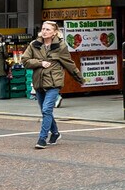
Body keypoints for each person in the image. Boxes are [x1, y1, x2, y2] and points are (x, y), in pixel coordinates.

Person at [19, 20, 80, 149]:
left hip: (54, 82)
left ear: (54, 32)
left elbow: (69, 63)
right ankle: (56, 133)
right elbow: (25, 61)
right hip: (39, 82)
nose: (44, 31)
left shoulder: (61, 46)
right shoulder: (34, 45)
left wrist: (80, 79)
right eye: (43, 29)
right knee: (45, 111)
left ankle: (42, 138)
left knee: (47, 109)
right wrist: (40, 63)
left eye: (48, 29)